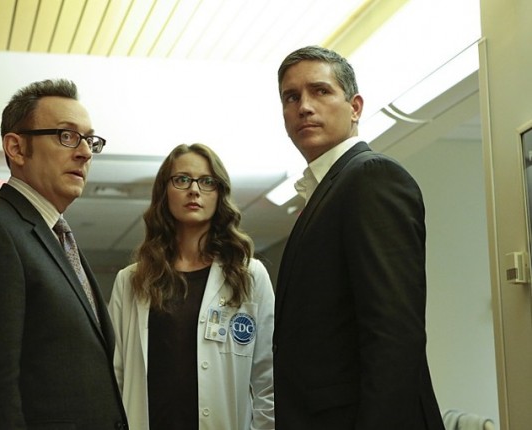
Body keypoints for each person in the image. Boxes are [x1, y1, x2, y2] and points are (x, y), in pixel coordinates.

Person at [0, 79, 128, 429]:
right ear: (17, 148)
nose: (85, 152)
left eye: (89, 140)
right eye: (66, 136)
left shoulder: (58, 238)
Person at [272, 45, 445, 429]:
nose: (304, 107)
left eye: (320, 91)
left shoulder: (371, 176)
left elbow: (393, 336)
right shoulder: (326, 191)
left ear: (355, 107)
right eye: (291, 97)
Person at [109, 143, 275, 430]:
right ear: (165, 191)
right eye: (182, 179)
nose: (194, 190)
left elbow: (267, 378)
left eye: (207, 181)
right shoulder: (131, 280)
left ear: (219, 193)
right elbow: (116, 374)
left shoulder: (249, 275)